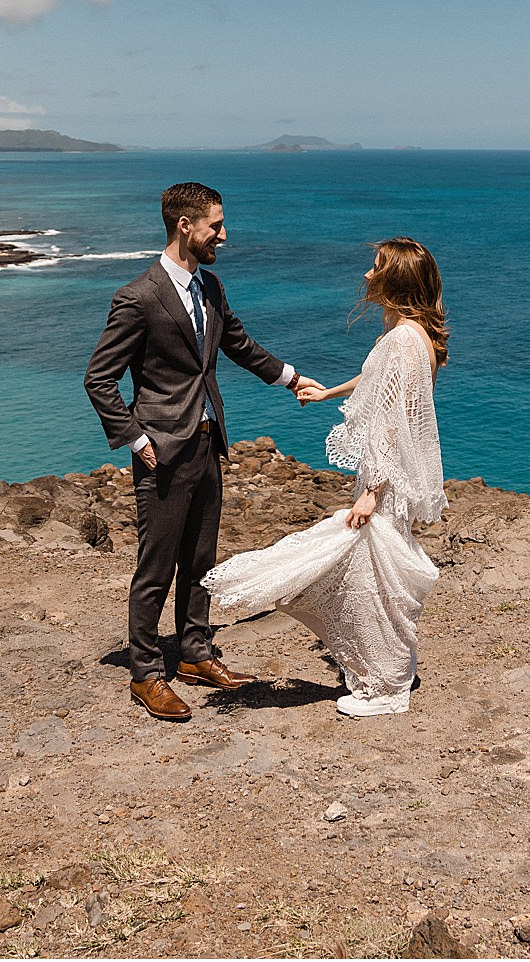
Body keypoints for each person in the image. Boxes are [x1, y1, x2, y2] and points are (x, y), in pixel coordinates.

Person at [84, 182, 322, 722]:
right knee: (156, 565)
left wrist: (291, 379)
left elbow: (237, 343)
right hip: (161, 449)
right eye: (215, 224)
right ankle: (145, 672)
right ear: (185, 225)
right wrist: (135, 436)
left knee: (200, 559)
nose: (223, 233)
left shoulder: (210, 285)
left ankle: (194, 653)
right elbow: (99, 379)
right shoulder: (138, 296)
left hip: (209, 441)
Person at [202, 238, 448, 717]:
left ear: (396, 278)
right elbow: (378, 381)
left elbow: (392, 420)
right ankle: (389, 671)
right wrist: (325, 393)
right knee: (375, 575)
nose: (367, 274)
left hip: (385, 481)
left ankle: (389, 687)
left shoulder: (401, 339)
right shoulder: (412, 334)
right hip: (390, 478)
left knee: (373, 581)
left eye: (376, 266)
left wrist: (373, 493)